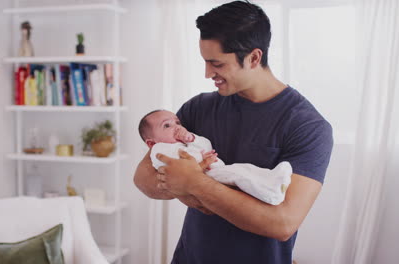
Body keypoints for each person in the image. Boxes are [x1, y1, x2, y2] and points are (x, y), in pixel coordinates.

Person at [133, 1, 333, 263]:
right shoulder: (198, 108)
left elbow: (283, 223)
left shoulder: (307, 126)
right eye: (205, 62)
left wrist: (195, 184)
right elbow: (143, 177)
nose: (207, 73)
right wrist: (181, 185)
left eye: (216, 64)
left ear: (253, 58)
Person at [139, 109, 292, 205]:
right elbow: (184, 164)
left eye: (177, 122)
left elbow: (206, 146)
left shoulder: (184, 142)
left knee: (244, 169)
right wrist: (202, 160)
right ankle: (270, 193)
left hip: (214, 170)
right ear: (152, 142)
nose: (177, 126)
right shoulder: (159, 150)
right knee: (239, 176)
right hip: (208, 177)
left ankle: (272, 178)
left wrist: (192, 139)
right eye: (167, 125)